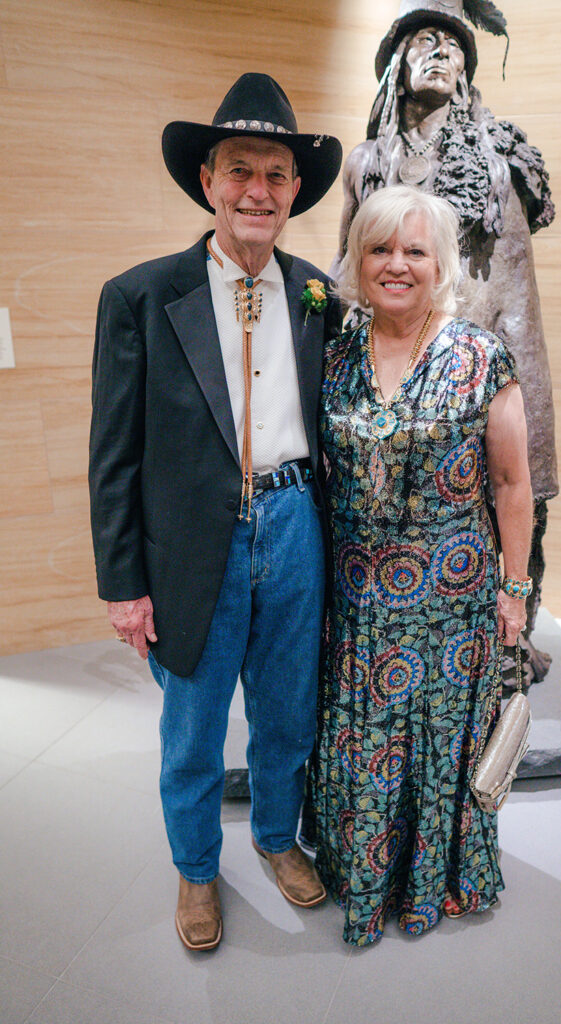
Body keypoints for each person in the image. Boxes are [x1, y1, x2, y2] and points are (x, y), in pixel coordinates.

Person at [88, 73, 342, 951]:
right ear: (207, 182)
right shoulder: (140, 296)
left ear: (295, 192)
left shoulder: (319, 297)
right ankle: (197, 869)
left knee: (285, 713)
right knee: (193, 729)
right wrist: (124, 585)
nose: (257, 192)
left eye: (276, 175)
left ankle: (276, 840)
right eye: (240, 171)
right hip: (191, 550)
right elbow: (111, 457)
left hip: (295, 530)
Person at [303, 185, 533, 946]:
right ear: (357, 261)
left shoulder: (478, 356)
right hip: (357, 601)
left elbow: (511, 484)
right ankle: (361, 877)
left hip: (451, 602)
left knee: (435, 745)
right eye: (378, 248)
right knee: (362, 741)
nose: (395, 264)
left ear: (440, 266)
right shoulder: (333, 358)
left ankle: (432, 882)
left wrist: (513, 590)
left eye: (413, 251)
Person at [333, 0, 557, 683]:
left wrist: (501, 367)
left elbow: (511, 271)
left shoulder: (500, 154)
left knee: (516, 491)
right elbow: (347, 267)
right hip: (392, 356)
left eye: (451, 44)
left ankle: (510, 635)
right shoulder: (368, 160)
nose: (436, 52)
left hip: (488, 343)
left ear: (467, 71)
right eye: (420, 41)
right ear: (392, 69)